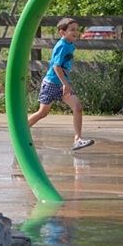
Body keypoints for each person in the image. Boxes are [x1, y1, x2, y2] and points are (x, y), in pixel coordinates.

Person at [28, 18, 94, 150]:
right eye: (72, 30)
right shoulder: (62, 46)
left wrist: (65, 83)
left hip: (62, 83)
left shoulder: (69, 44)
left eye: (77, 29)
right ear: (62, 32)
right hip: (52, 83)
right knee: (42, 113)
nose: (76, 32)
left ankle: (78, 139)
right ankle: (20, 132)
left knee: (78, 107)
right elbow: (56, 67)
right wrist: (65, 83)